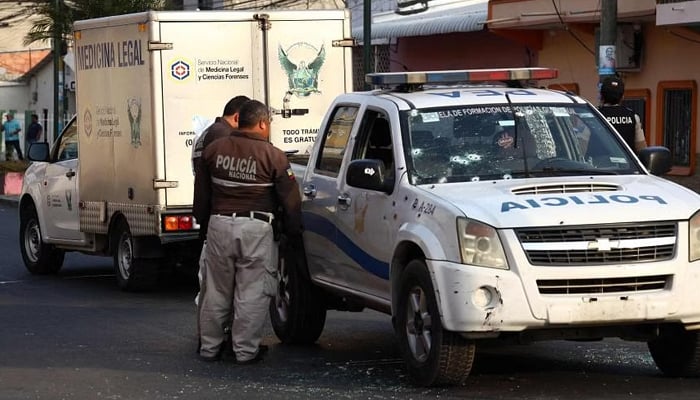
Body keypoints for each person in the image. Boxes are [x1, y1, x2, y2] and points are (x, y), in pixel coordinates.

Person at [193, 99, 302, 364]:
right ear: (263, 123)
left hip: (219, 225)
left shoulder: (214, 150)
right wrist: (292, 233)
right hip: (256, 228)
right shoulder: (273, 156)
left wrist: (205, 224)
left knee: (216, 291)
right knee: (252, 291)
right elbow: (290, 201)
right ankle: (244, 351)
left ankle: (210, 348)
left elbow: (201, 197)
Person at [599, 76, 647, 153]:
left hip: (599, 164)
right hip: (628, 164)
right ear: (622, 97)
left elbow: (582, 146)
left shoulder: (594, 116)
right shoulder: (633, 117)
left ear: (601, 96)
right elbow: (641, 148)